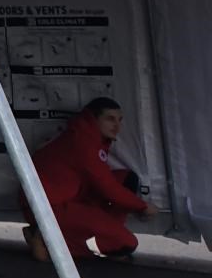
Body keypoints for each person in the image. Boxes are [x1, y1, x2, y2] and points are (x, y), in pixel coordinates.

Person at [25, 96, 148, 262]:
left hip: (67, 197)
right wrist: (142, 206)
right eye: (110, 119)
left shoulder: (85, 136)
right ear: (93, 119)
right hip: (49, 208)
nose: (117, 126)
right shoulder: (83, 142)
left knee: (127, 178)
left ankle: (111, 237)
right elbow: (107, 187)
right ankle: (45, 241)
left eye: (119, 120)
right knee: (128, 244)